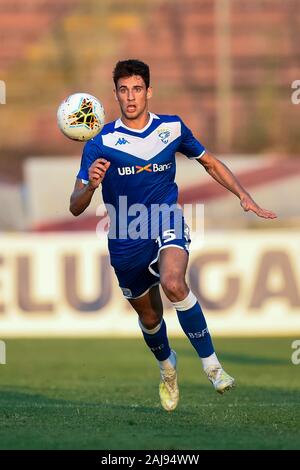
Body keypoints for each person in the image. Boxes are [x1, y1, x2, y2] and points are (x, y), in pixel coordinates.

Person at [70, 59, 277, 412]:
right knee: (150, 318)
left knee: (174, 283)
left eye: (137, 89)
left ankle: (212, 366)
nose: (131, 96)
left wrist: (243, 194)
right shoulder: (100, 141)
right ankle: (168, 368)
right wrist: (91, 185)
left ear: (148, 91)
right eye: (124, 90)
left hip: (166, 218)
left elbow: (210, 162)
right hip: (124, 233)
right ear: (116, 95)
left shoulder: (172, 128)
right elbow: (75, 206)